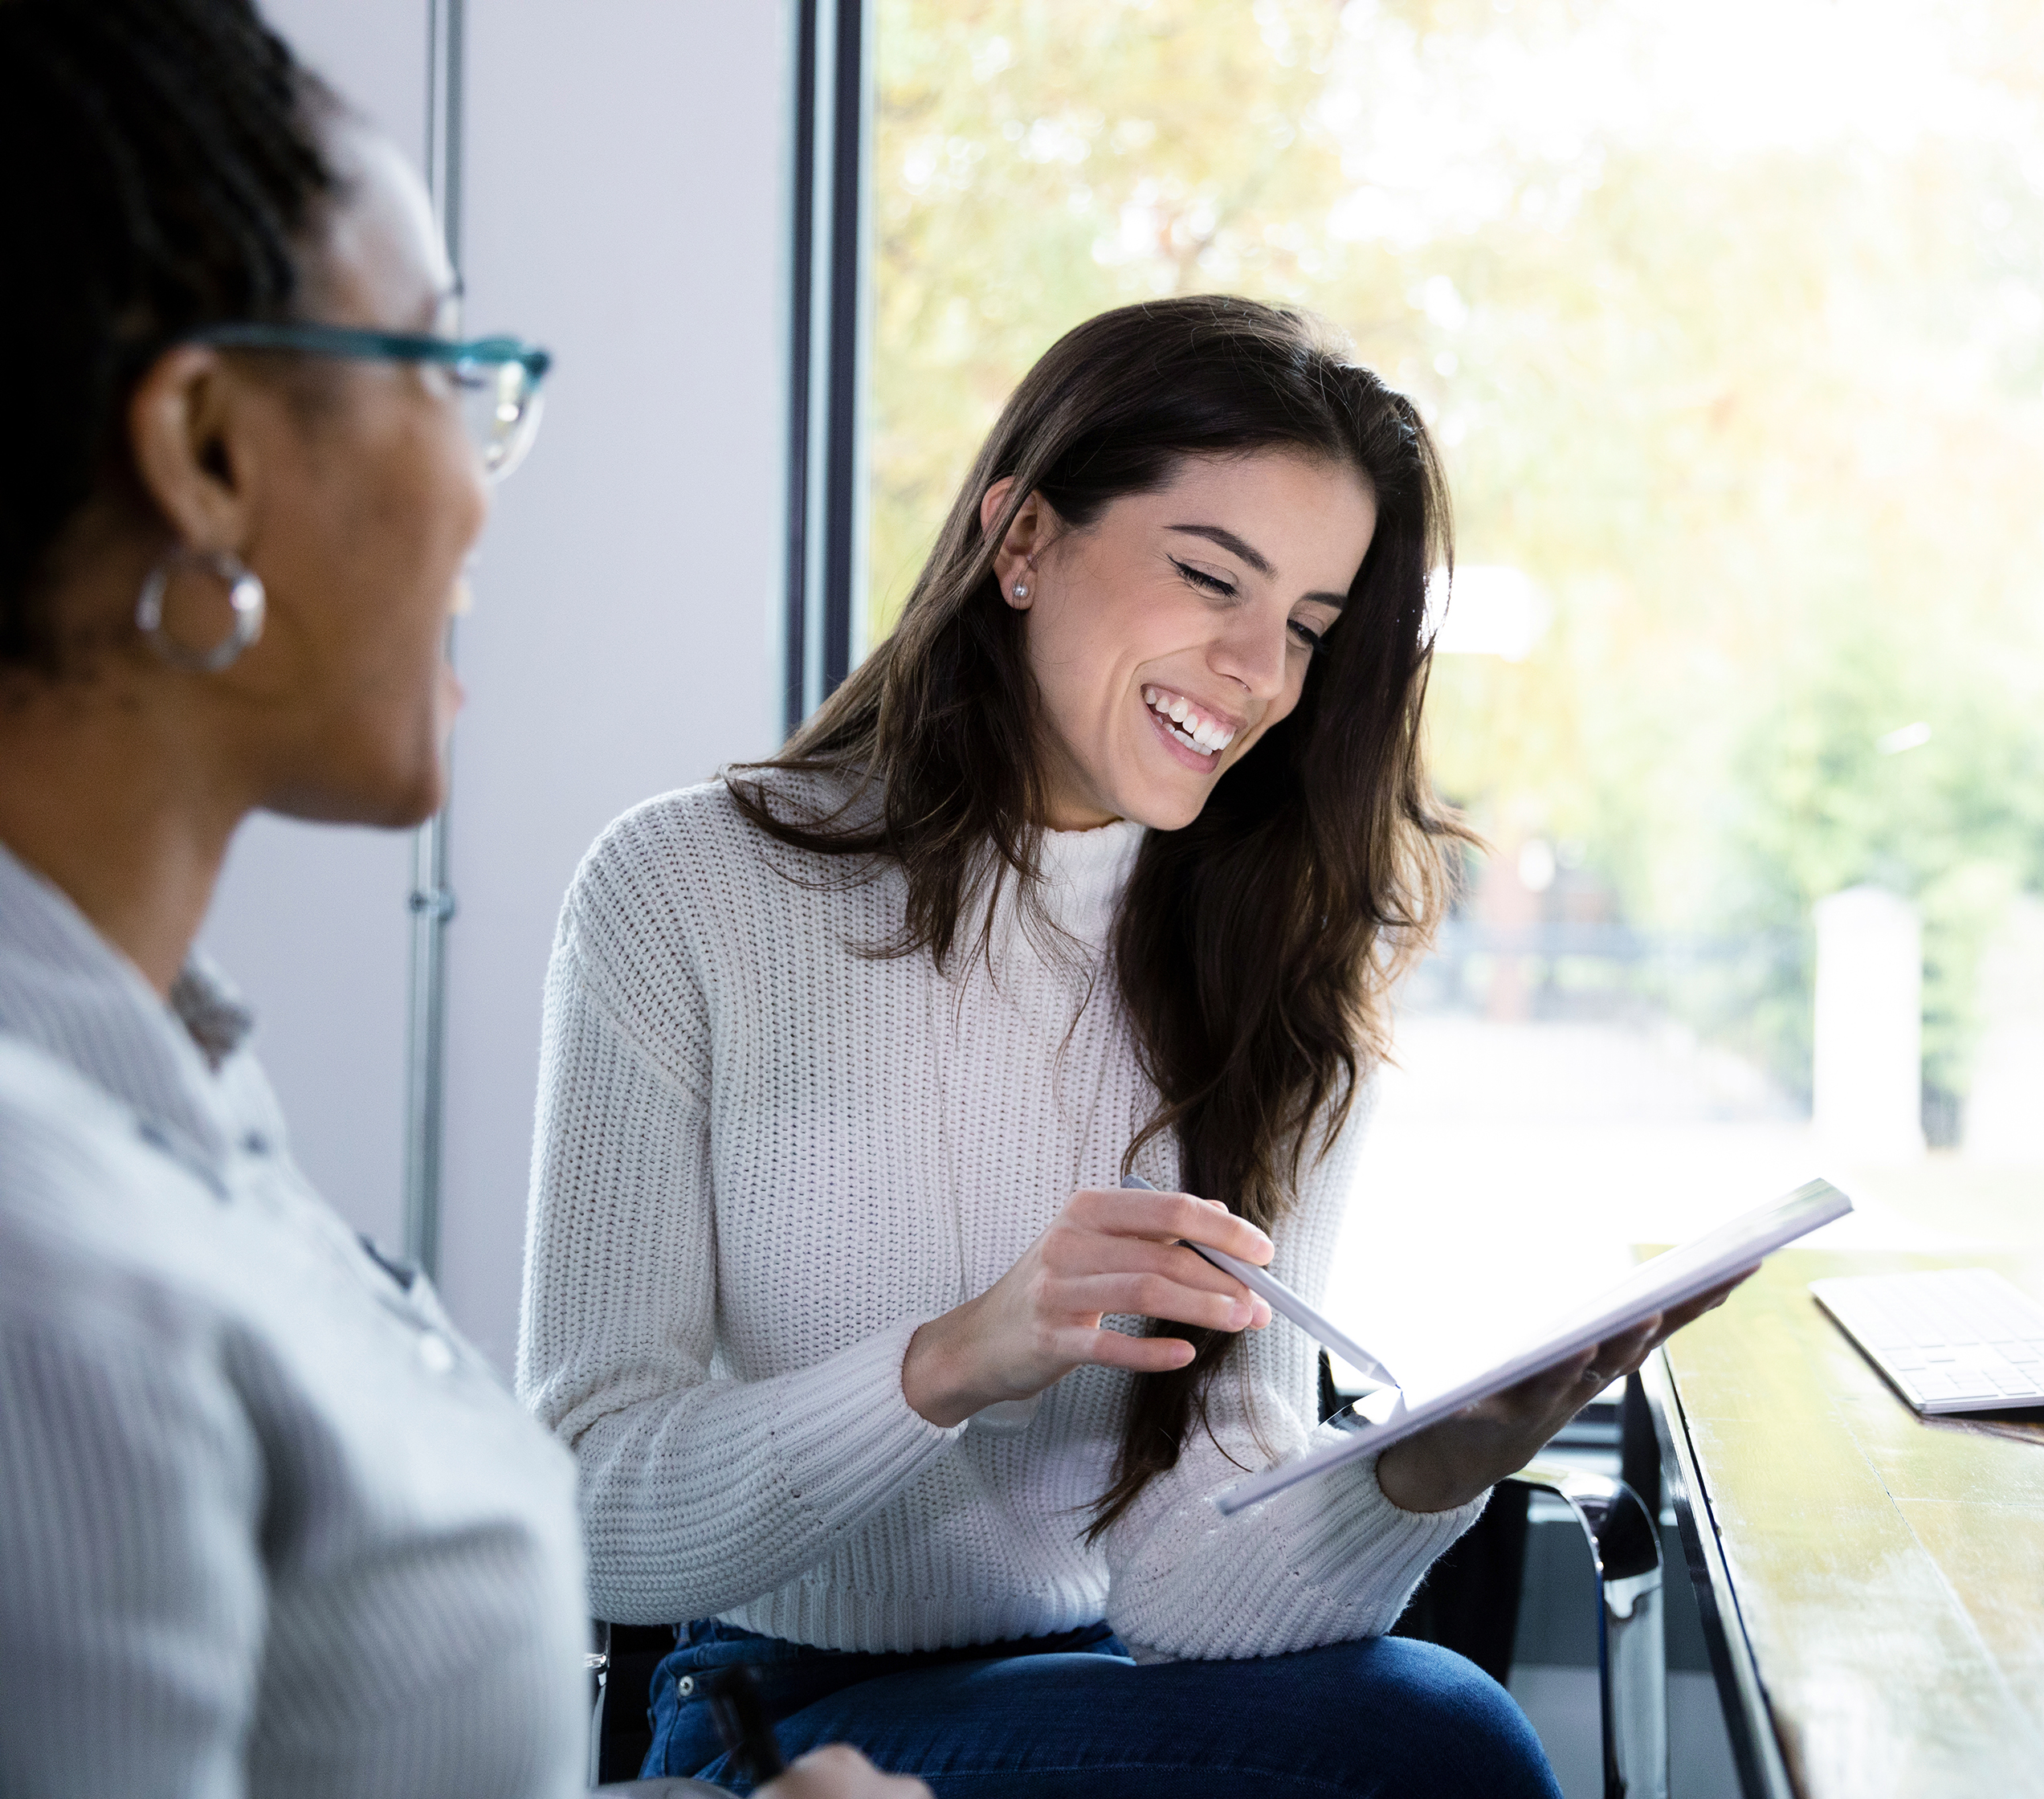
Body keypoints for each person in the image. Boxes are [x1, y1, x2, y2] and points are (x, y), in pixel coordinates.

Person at [520, 294, 1740, 1794]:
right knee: (1441, 1748)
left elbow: (1181, 1586)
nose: (1257, 673)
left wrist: (1434, 1469)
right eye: (1211, 579)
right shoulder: (684, 893)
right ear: (1021, 542)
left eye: (1306, 628)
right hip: (774, 1708)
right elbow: (585, 1497)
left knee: (1432, 1727)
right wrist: (966, 1355)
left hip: (1118, 1686)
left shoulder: (1289, 955)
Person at [0, 3, 924, 1794]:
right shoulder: (48, 1268)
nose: (486, 505)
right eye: (443, 372)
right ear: (205, 452)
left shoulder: (171, 1080)